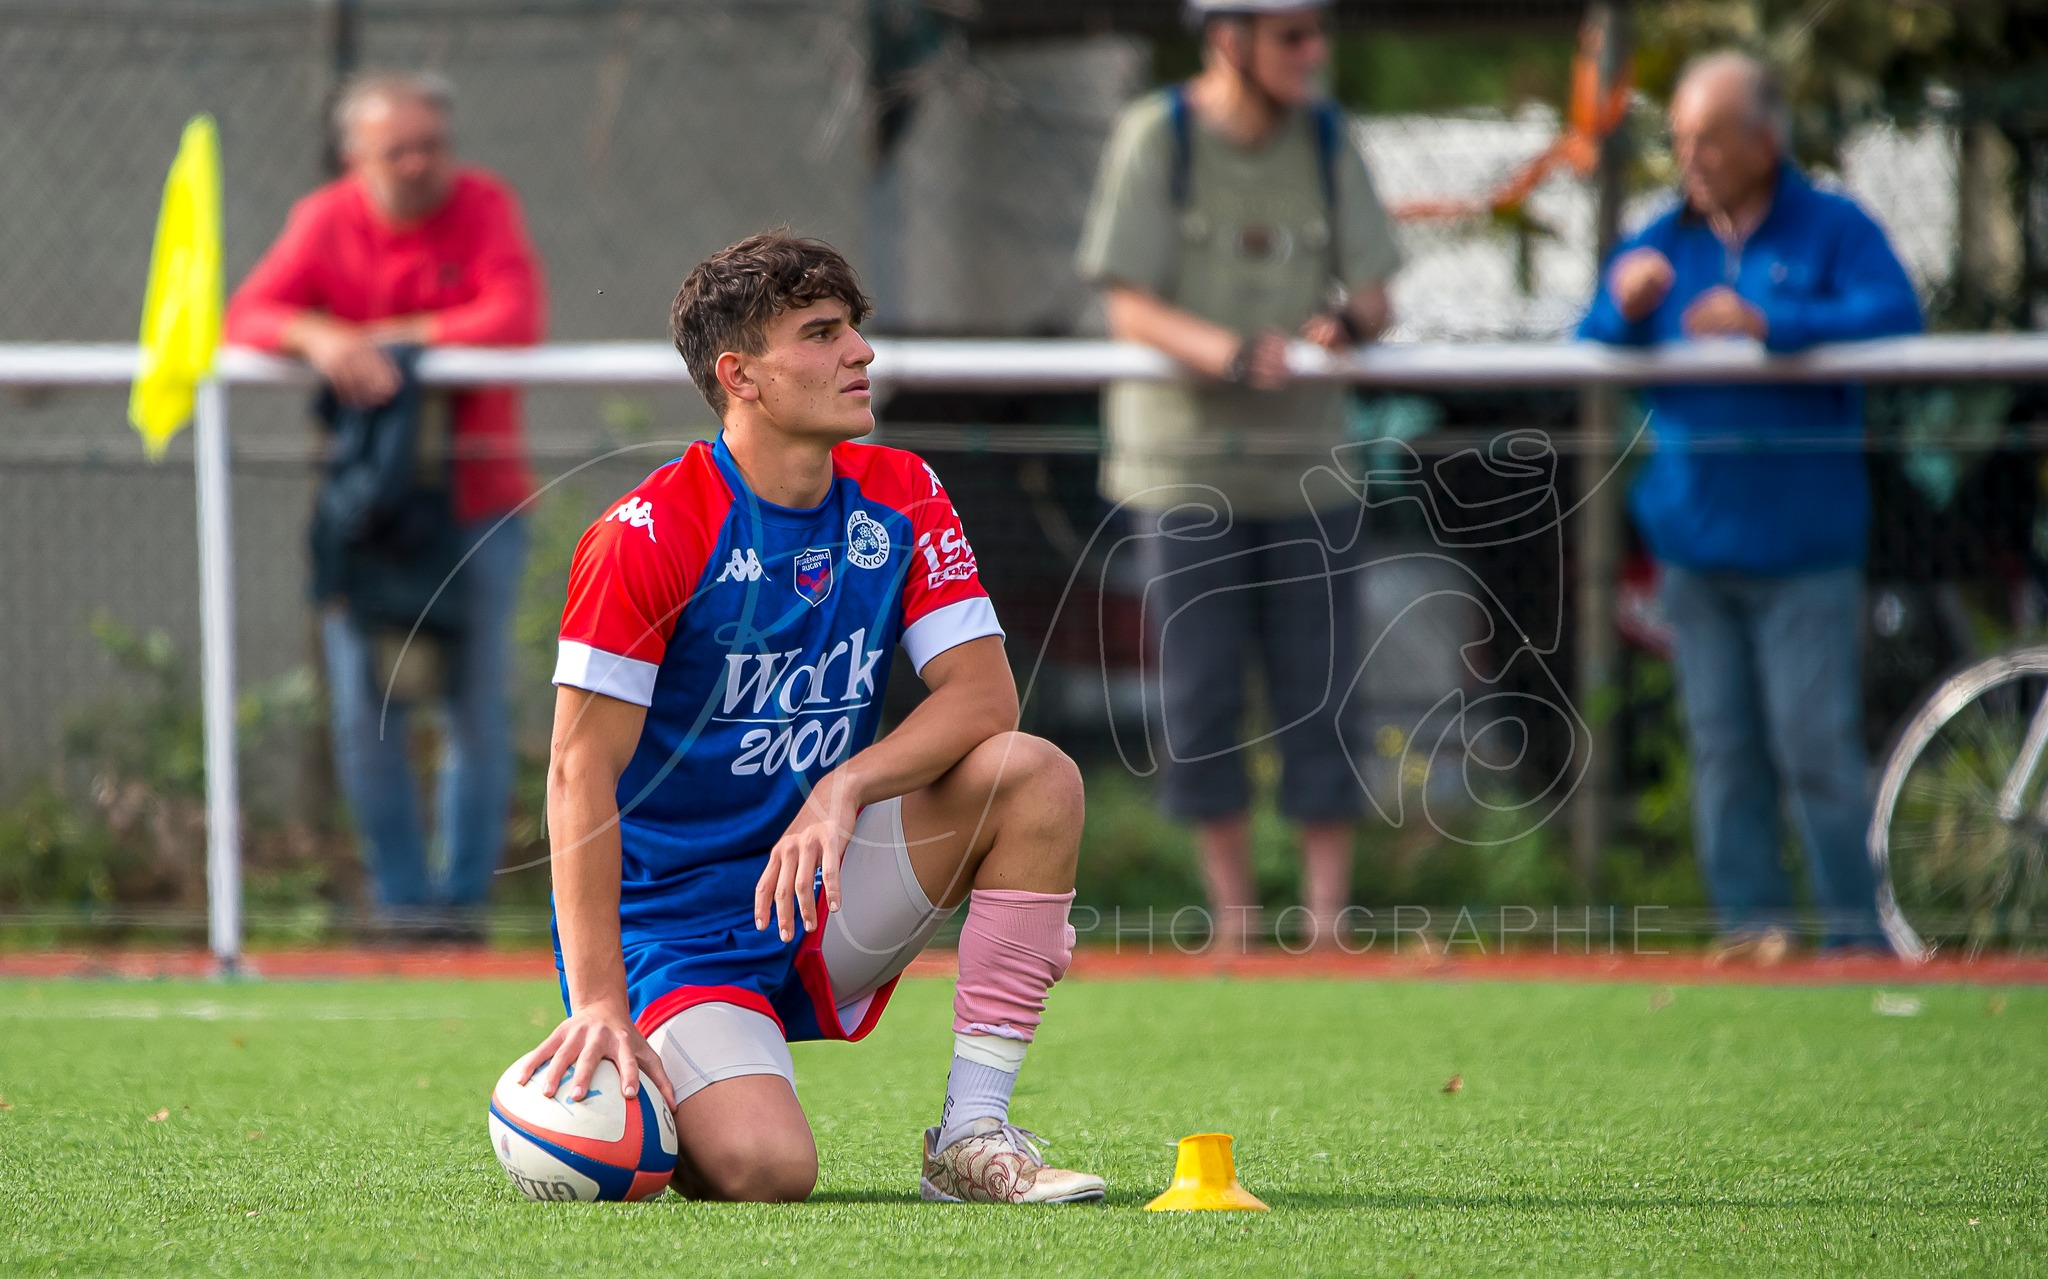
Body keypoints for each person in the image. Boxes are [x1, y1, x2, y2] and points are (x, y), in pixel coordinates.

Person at [514, 232, 1104, 1205]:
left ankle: (971, 1135)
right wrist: (602, 1005)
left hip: (821, 886)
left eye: (854, 330)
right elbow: (578, 775)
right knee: (767, 1171)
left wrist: (846, 784)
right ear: (737, 374)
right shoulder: (647, 536)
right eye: (821, 334)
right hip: (676, 932)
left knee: (1030, 772)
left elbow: (982, 697)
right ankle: (656, 1075)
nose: (858, 353)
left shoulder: (900, 492)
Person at [1577, 52, 1922, 957]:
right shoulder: (1665, 240)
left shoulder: (1833, 228)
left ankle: (1855, 941)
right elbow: (1591, 335)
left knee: (1816, 750)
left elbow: (1896, 317)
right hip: (1697, 545)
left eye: (1709, 138)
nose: (1690, 156)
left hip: (1806, 549)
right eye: (1679, 137)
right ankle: (1752, 932)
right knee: (1724, 754)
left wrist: (1775, 327)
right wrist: (1622, 306)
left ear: (1766, 142)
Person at [1076, 0, 1401, 951]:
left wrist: (1348, 325)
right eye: (1291, 35)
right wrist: (1225, 352)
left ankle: (1328, 926)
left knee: (1323, 689)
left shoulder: (1329, 136)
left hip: (1309, 467)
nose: (1314, 51)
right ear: (1230, 38)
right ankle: (1234, 927)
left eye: (1318, 32)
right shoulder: (1156, 137)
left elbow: (1376, 291)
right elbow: (1126, 302)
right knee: (1202, 694)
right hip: (1182, 471)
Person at [225, 71, 546, 937]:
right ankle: (404, 909)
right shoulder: (326, 219)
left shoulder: (482, 206)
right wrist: (317, 334)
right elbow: (247, 315)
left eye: (430, 145)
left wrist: (392, 343)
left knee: (477, 712)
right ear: (354, 157)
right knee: (368, 715)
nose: (417, 164)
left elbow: (510, 316)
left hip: (478, 509)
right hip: (369, 520)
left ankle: (462, 911)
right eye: (396, 149)